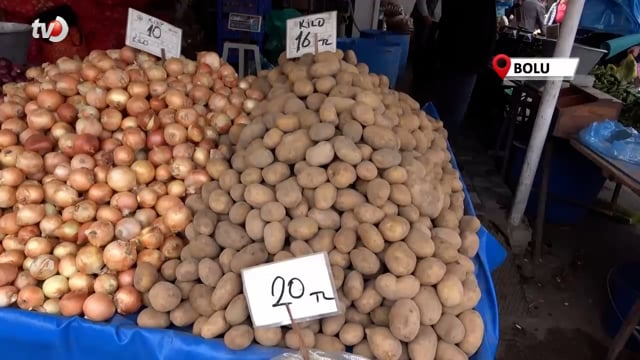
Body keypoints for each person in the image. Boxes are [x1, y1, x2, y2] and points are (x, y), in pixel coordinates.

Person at [430, 0, 496, 141]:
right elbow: (483, 24)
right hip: (467, 56)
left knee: (442, 107)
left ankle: (436, 146)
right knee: (451, 111)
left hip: (452, 51)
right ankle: (441, 148)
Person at [410, 0, 441, 103]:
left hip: (432, 20)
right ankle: (417, 79)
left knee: (427, 49)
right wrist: (425, 15)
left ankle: (421, 79)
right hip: (423, 18)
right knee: (420, 47)